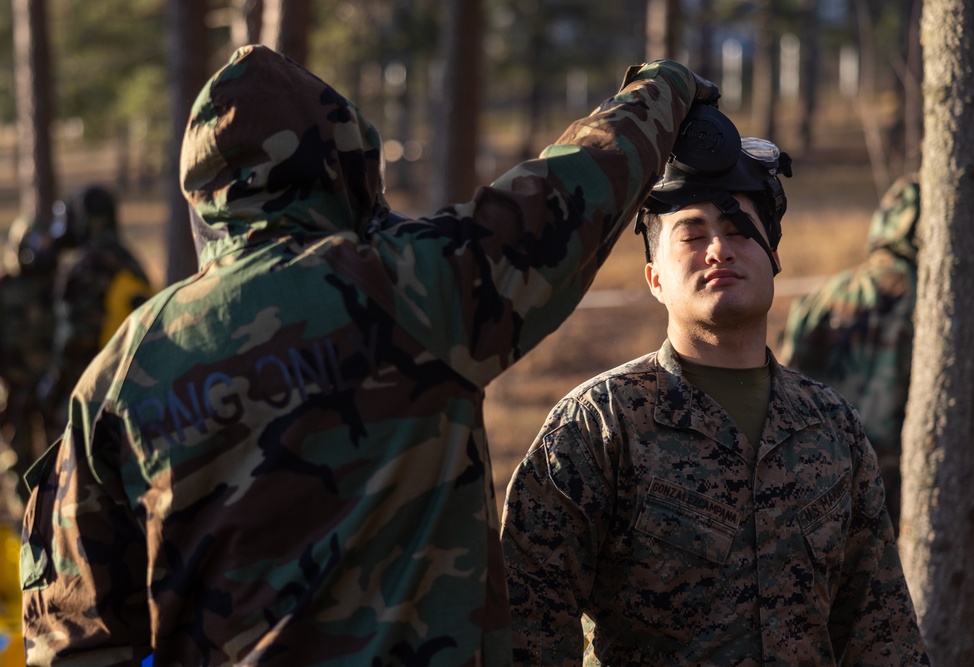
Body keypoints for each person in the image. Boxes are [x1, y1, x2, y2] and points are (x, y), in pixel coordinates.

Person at [20, 44, 721, 666]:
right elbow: (574, 189)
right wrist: (665, 84)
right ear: (345, 164)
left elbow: (70, 630)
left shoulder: (117, 374)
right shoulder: (409, 287)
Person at [500, 105, 929, 665]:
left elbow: (881, 634)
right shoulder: (599, 425)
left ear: (773, 257)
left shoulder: (833, 426)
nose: (719, 249)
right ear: (654, 278)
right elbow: (523, 629)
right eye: (692, 235)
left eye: (738, 231)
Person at [779, 173, 919, 532]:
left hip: (826, 478)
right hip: (906, 482)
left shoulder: (821, 296)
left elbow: (783, 391)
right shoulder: (943, 300)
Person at [37, 184, 155, 444]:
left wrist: (53, 386)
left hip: (94, 397)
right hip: (138, 392)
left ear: (88, 220)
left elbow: (76, 339)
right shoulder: (130, 261)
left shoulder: (86, 266)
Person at [0, 216, 59, 483]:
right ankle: (23, 513)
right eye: (37, 243)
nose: (42, 250)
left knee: (59, 453)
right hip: (15, 387)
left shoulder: (55, 286)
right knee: (17, 457)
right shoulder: (6, 287)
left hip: (50, 385)